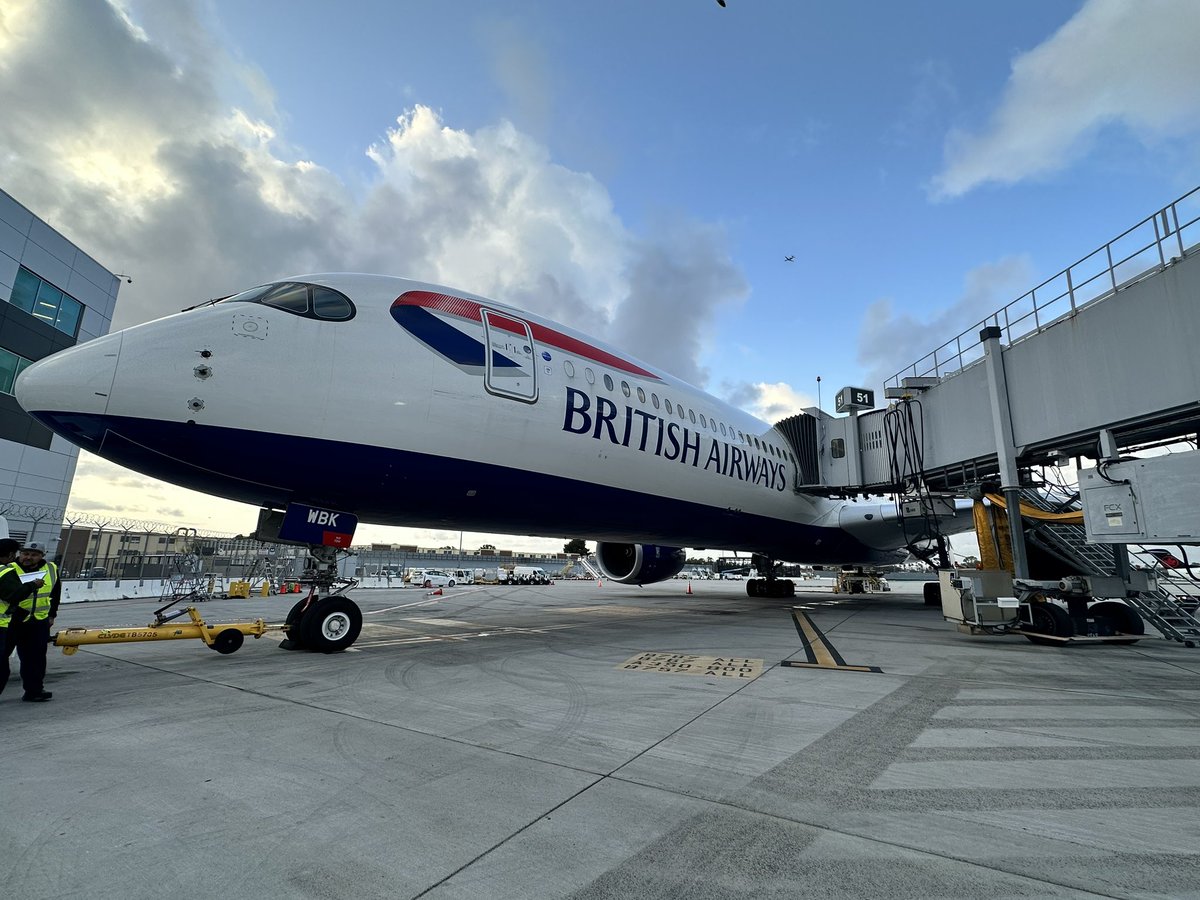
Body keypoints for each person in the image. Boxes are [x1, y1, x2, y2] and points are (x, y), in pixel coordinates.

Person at [0, 540, 61, 702]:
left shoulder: (51, 569)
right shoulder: (9, 569)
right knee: (2, 657)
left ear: (42, 556)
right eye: (25, 554)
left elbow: (55, 593)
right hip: (12, 620)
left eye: (34, 555)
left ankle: (34, 691)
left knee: (36, 659)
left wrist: (52, 614)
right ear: (19, 554)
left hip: (38, 621)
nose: (28, 557)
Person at [0, 537, 22, 697]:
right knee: (2, 668)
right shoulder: (6, 572)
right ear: (9, 555)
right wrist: (31, 585)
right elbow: (14, 595)